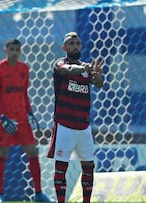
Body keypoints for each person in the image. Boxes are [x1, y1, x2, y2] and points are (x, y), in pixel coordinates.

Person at [0, 39, 51, 202]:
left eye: (17, 49)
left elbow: (24, 94)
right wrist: (2, 117)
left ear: (21, 51)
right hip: (5, 120)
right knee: (2, 153)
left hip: (22, 119)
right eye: (12, 49)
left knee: (32, 152)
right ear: (6, 50)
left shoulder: (24, 69)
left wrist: (30, 112)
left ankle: (38, 194)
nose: (14, 52)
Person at [47, 32, 105, 203]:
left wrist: (97, 76)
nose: (75, 46)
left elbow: (99, 84)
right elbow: (68, 70)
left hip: (83, 126)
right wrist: (85, 69)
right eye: (71, 43)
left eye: (78, 43)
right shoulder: (60, 64)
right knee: (61, 167)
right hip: (64, 124)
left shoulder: (86, 68)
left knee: (89, 166)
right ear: (64, 47)